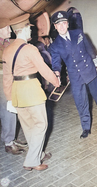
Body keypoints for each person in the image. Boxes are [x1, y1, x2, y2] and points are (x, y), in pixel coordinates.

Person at [2, 14, 60, 171]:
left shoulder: (6, 51)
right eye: (29, 29)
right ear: (23, 30)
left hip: (17, 93)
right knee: (41, 124)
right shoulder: (30, 48)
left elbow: (6, 78)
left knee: (28, 126)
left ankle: (38, 154)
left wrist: (9, 98)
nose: (31, 33)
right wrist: (56, 81)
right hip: (32, 92)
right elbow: (43, 69)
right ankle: (32, 161)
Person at [48, 11, 97, 139]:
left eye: (64, 23)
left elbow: (90, 49)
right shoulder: (55, 45)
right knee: (81, 101)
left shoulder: (78, 33)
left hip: (89, 69)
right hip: (75, 75)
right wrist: (56, 74)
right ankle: (86, 127)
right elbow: (56, 63)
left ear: (67, 24)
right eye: (58, 24)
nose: (62, 26)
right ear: (55, 26)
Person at [0, 24, 27, 155]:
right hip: (2, 79)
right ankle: (8, 143)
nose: (10, 30)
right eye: (6, 28)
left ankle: (10, 138)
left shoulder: (8, 42)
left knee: (12, 109)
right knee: (7, 111)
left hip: (10, 78)